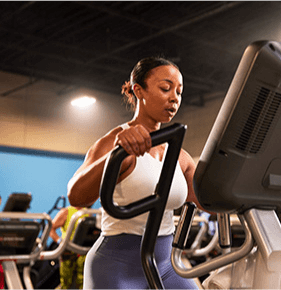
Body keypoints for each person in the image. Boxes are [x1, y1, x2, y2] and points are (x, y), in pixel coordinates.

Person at [67, 56, 202, 290]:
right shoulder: (113, 142)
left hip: (166, 265)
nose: (174, 98)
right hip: (116, 265)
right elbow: (76, 197)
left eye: (179, 92)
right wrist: (116, 155)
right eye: (165, 88)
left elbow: (210, 201)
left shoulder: (180, 157)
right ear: (139, 91)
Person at [49, 205, 88, 290]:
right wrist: (60, 242)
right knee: (66, 284)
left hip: (82, 252)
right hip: (68, 252)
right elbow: (50, 229)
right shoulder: (66, 212)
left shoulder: (87, 212)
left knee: (83, 282)